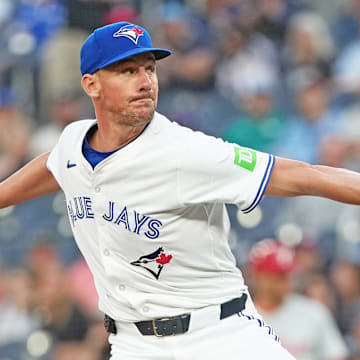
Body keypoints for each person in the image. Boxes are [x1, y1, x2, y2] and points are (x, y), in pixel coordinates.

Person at [1, 21, 360, 359]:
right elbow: (56, 164)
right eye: (128, 71)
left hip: (220, 337)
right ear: (91, 84)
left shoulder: (186, 152)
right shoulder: (72, 145)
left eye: (150, 69)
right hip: (133, 344)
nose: (145, 81)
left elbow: (304, 175)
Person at [247, 238, 348, 360]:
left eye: (286, 276)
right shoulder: (244, 317)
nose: (283, 283)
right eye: (276, 277)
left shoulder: (313, 311)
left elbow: (336, 354)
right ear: (257, 277)